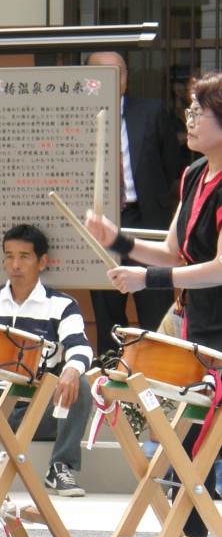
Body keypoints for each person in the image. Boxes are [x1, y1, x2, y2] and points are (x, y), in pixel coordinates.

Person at [86, 71, 222, 537]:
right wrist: (118, 241)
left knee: (196, 447)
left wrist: (150, 279)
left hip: (220, 328)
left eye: (199, 110)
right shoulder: (193, 176)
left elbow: (219, 267)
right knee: (182, 448)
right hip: (196, 325)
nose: (188, 117)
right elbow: (173, 253)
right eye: (188, 108)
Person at [0, 224, 94, 498]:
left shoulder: (62, 305)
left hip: (37, 413)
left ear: (42, 262)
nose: (15, 264)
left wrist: (72, 369)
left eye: (24, 256)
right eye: (9, 256)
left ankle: (60, 467)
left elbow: (80, 346)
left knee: (80, 382)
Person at [85, 52, 182, 354]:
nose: (113, 81)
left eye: (119, 73)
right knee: (108, 316)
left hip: (146, 221)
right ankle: (109, 389)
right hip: (100, 226)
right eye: (103, 74)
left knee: (155, 310)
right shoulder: (75, 114)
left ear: (127, 77)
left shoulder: (151, 112)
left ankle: (156, 387)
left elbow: (173, 169)